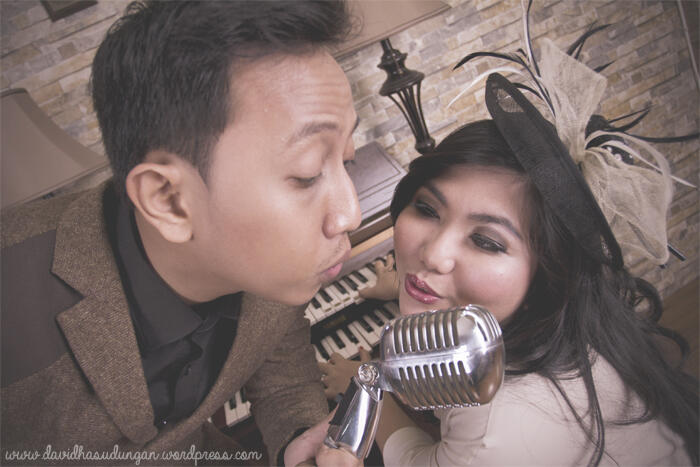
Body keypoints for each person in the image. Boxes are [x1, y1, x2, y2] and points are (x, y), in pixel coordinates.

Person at [1, 1, 363, 465]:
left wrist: (299, 438)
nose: (350, 215)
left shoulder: (274, 277)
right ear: (168, 200)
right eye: (308, 173)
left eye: (347, 159)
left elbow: (284, 377)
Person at [319, 48, 698, 467]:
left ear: (548, 275)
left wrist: (368, 387)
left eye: (486, 242)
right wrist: (400, 285)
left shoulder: (499, 422)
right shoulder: (563, 319)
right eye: (427, 209)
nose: (434, 255)